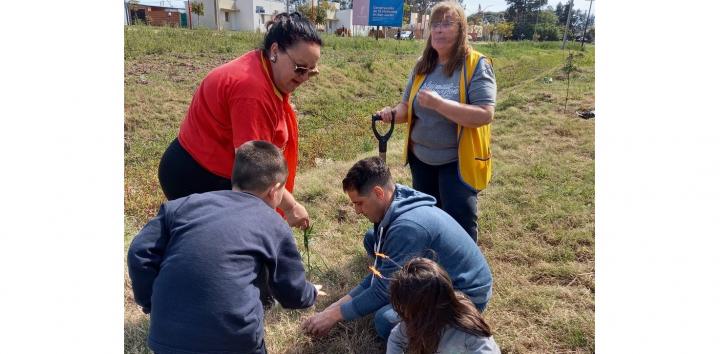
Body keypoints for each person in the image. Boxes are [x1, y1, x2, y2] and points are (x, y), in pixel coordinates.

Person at [128, 141, 324, 354]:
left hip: (166, 339)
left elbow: (139, 253)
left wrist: (152, 302)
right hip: (234, 342)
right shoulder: (273, 223)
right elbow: (290, 290)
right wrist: (310, 292)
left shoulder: (181, 206)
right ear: (275, 190)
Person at [157, 12, 323, 229]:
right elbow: (256, 169)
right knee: (223, 242)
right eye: (300, 69)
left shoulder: (265, 68)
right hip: (196, 176)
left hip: (220, 170)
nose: (304, 78)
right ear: (274, 51)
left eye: (311, 72)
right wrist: (291, 207)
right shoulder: (251, 91)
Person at [301, 157, 493, 340]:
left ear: (378, 193)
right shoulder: (396, 198)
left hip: (466, 295)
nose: (357, 211)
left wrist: (333, 316)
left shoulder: (407, 228)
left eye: (359, 203)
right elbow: (379, 277)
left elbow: (381, 290)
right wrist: (334, 307)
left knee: (385, 321)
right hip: (444, 276)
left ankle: (446, 334)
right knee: (371, 238)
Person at [375, 1, 497, 242]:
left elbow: (484, 114)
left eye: (447, 24)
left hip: (457, 162)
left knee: (459, 221)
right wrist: (391, 113)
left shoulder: (475, 65)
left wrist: (440, 104)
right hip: (422, 159)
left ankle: (464, 274)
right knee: (427, 217)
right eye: (436, 24)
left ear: (461, 29)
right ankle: (432, 268)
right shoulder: (423, 65)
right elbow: (407, 108)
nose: (439, 30)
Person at [387, 257, 502, 354]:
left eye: (405, 310)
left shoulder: (468, 332)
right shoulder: (415, 321)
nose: (403, 316)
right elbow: (396, 339)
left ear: (424, 312)